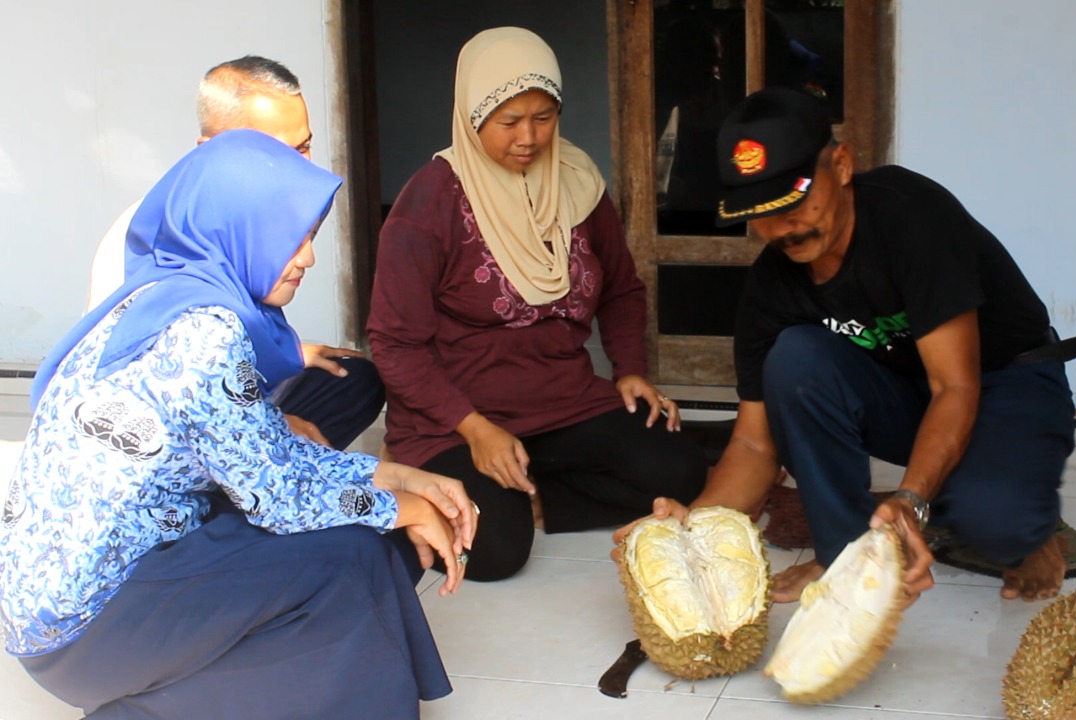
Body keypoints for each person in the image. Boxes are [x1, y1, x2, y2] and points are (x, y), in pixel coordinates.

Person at [1, 130, 478, 719]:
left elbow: (265, 450)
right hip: (90, 632)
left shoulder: (160, 292)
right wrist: (404, 507)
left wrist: (397, 475)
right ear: (237, 229)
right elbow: (278, 498)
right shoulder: (204, 334)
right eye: (292, 238)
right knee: (351, 551)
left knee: (351, 540)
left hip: (55, 619)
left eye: (310, 237)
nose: (307, 258)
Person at [617, 87, 1076, 605]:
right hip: (906, 394)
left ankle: (1031, 523)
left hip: (1004, 381)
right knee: (795, 357)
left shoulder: (913, 218)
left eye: (794, 201)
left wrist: (911, 499)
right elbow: (753, 443)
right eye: (761, 211)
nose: (782, 227)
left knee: (998, 522)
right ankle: (843, 551)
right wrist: (690, 529)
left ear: (840, 165)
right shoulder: (772, 285)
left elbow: (954, 386)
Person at [368, 27, 706, 582]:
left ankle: (537, 498)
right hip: (455, 419)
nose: (528, 138)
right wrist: (475, 429)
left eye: (543, 118)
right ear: (473, 116)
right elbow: (394, 342)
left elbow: (621, 287)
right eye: (508, 122)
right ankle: (432, 488)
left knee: (680, 466)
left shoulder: (576, 183)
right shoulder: (428, 203)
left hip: (561, 402)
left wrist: (630, 371)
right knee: (497, 551)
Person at [87, 54, 382, 451]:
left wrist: (284, 354)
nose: (295, 167)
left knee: (352, 378)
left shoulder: (266, 215)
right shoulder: (151, 235)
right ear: (210, 148)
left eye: (304, 147)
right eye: (270, 149)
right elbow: (143, 385)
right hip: (164, 435)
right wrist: (270, 426)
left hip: (232, 402)